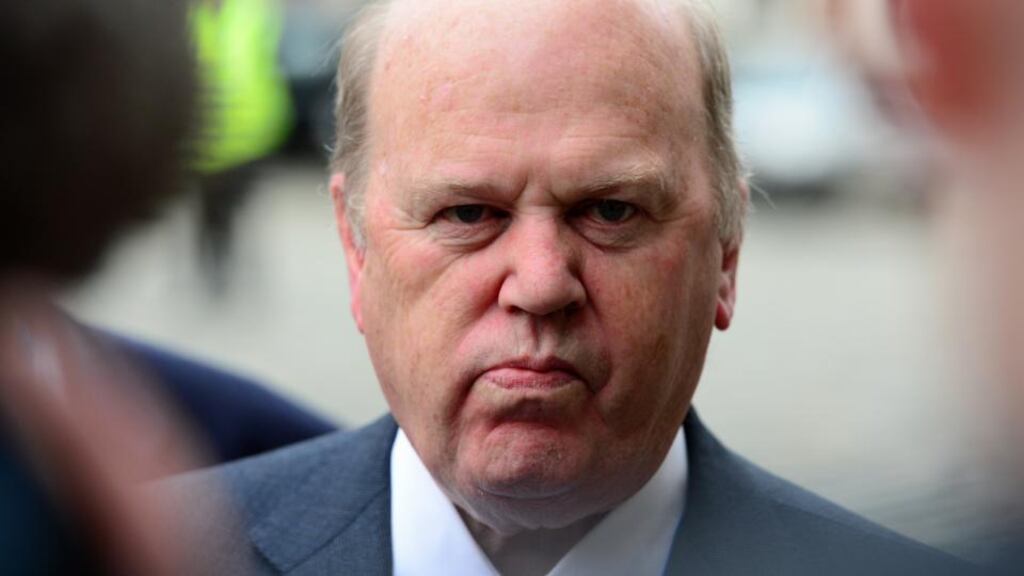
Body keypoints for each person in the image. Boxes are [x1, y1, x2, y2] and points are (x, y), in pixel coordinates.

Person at [164, 0, 970, 573]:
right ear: (356, 247)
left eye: (612, 211)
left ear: (726, 253)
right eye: (468, 212)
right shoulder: (139, 548)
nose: (542, 285)